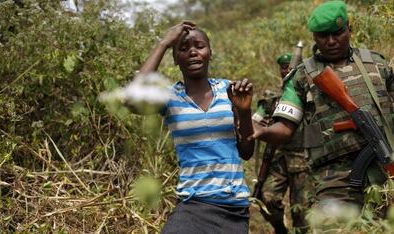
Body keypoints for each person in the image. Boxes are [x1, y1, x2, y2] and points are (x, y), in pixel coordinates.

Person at [251, 0, 394, 213]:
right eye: (323, 36)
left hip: (386, 167)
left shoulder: (377, 63)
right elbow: (285, 128)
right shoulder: (302, 75)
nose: (331, 41)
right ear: (314, 37)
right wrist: (261, 130)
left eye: (337, 33)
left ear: (349, 29)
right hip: (334, 178)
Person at [137, 21, 255, 233]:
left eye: (199, 46)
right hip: (193, 206)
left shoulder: (229, 90)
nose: (192, 52)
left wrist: (244, 112)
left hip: (234, 208)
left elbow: (246, 152)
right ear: (175, 59)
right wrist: (164, 43)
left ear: (209, 52)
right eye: (183, 48)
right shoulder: (169, 97)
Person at [253, 53, 312, 233]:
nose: (287, 70)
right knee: (266, 198)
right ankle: (281, 230)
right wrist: (259, 124)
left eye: (290, 66)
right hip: (279, 158)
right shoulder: (272, 99)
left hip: (303, 159)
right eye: (284, 67)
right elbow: (255, 120)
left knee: (302, 211)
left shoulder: (309, 94)